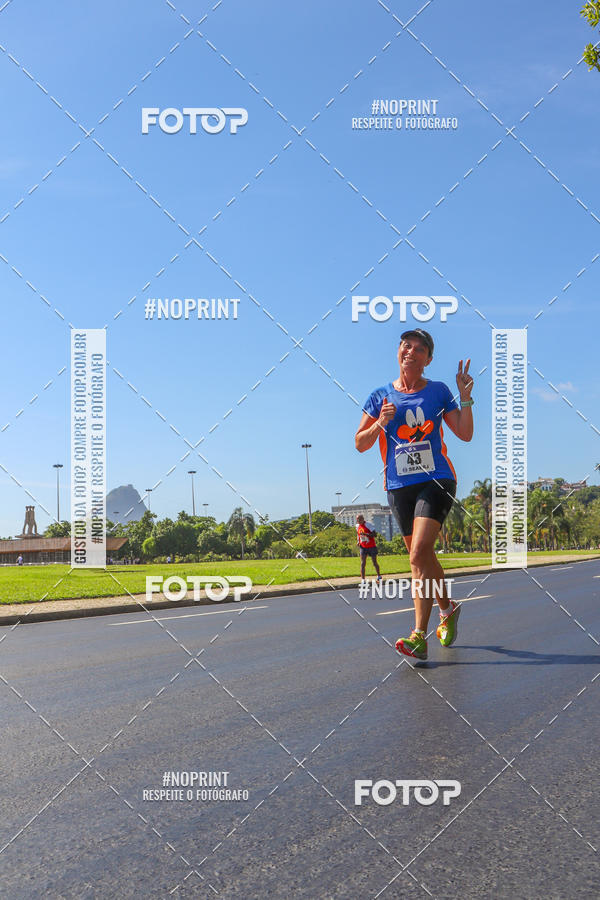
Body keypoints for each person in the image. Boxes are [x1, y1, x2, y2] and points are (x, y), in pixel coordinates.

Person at [355, 328, 474, 662]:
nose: (412, 352)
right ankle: (448, 609)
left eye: (420, 349)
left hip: (436, 479)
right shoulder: (380, 395)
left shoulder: (438, 391)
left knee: (418, 554)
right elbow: (360, 443)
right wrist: (380, 422)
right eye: (407, 346)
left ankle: (419, 635)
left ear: (428, 359)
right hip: (398, 487)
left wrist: (464, 397)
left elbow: (464, 433)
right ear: (399, 352)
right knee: (422, 557)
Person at [356, 514, 382, 582]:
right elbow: (358, 534)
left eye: (360, 519)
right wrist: (358, 541)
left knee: (374, 562)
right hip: (363, 547)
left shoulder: (368, 525)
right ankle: (363, 579)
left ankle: (379, 576)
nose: (359, 521)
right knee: (363, 563)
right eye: (357, 520)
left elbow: (375, 534)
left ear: (363, 519)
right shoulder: (357, 526)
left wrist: (366, 534)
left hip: (371, 546)